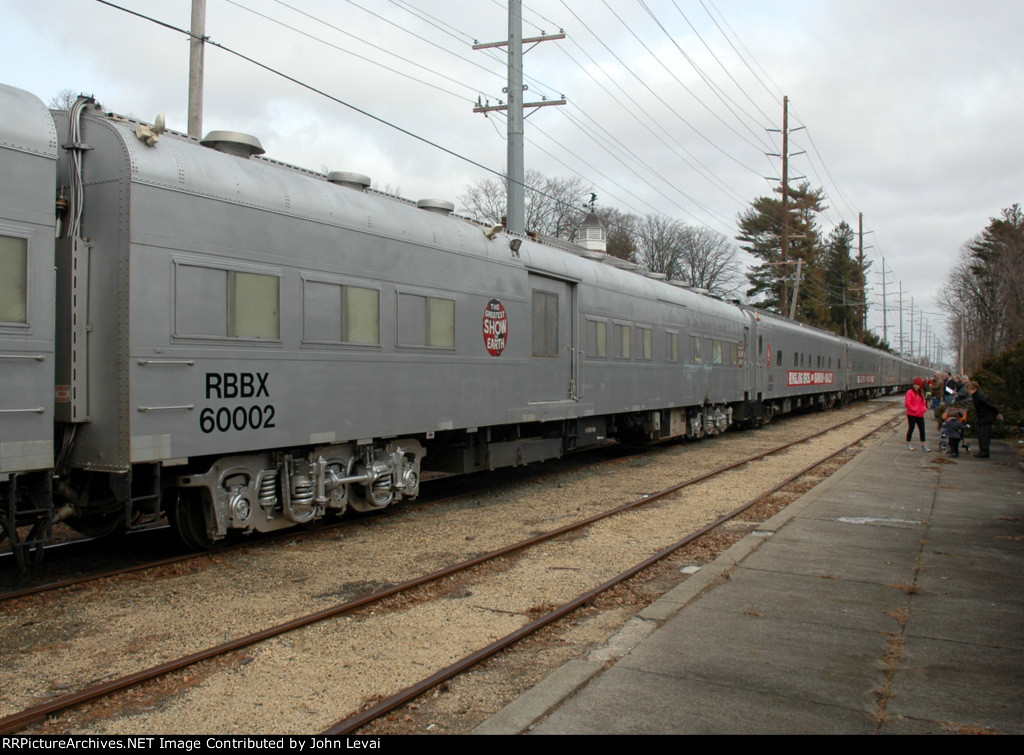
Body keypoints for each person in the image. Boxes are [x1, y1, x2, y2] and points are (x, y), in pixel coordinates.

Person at [966, 381, 1003, 458]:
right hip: (983, 417)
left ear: (975, 389)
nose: (969, 392)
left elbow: (990, 406)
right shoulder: (976, 396)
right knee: (981, 436)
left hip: (986, 417)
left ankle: (984, 452)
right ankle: (982, 451)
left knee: (984, 436)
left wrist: (997, 414)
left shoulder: (980, 396)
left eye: (970, 390)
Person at [905, 377, 929, 451]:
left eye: (917, 385)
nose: (916, 386)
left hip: (920, 414)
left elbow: (924, 403)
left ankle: (923, 445)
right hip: (911, 414)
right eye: (915, 384)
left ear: (920, 385)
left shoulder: (921, 393)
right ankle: (908, 444)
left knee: (922, 429)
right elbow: (907, 403)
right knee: (911, 428)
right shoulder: (910, 392)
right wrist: (913, 409)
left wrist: (924, 409)